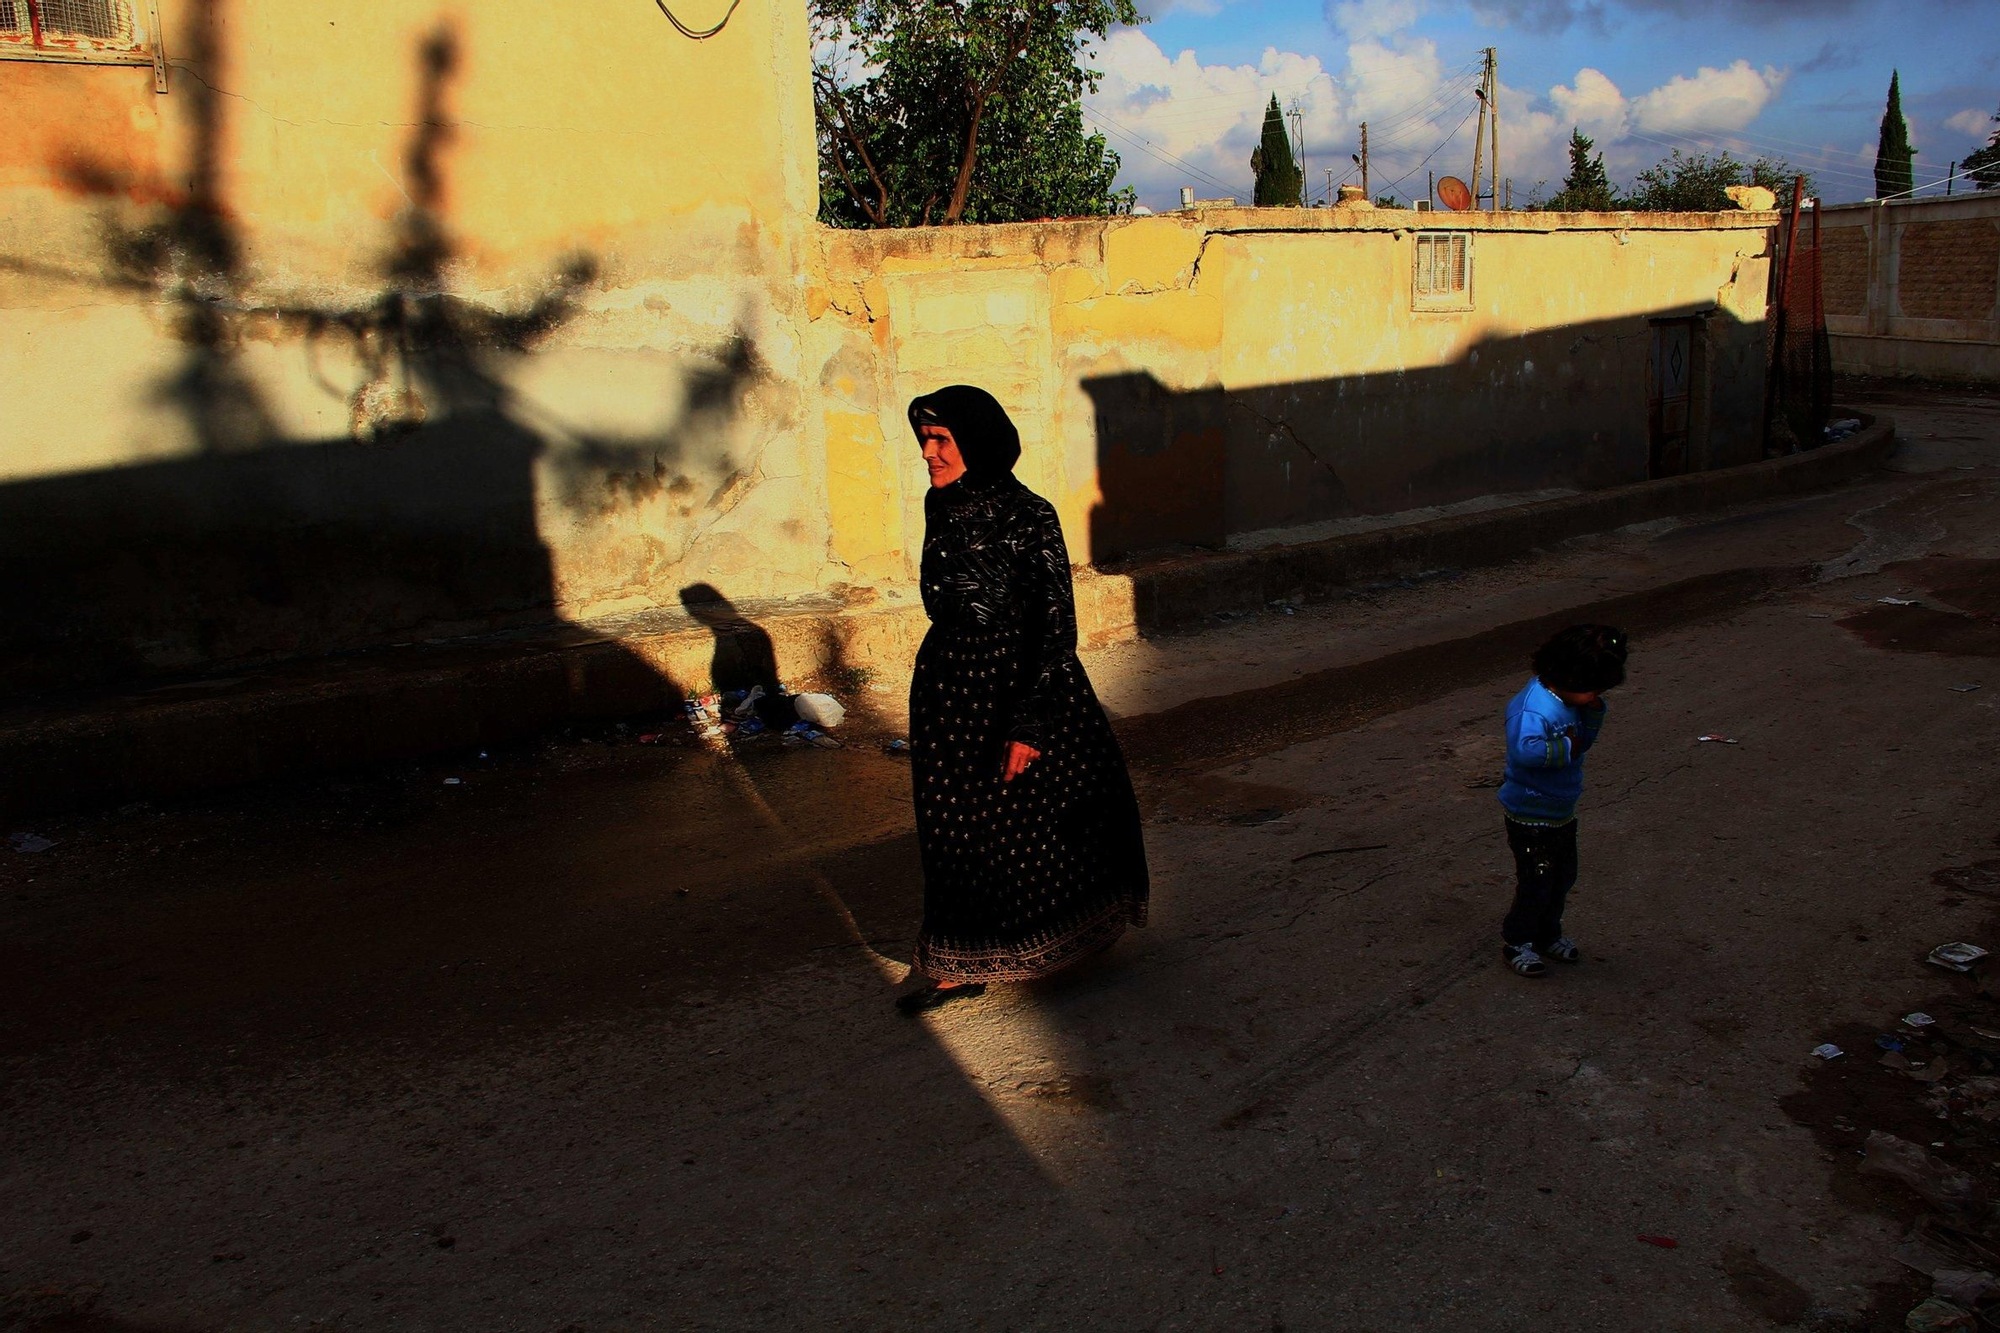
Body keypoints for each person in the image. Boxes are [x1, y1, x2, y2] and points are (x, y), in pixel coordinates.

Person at [895, 385, 1149, 1014]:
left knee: (1045, 823)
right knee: (952, 829)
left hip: (1017, 680)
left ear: (974, 443)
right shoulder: (941, 504)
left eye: (941, 440)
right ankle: (956, 961)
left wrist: (1031, 722)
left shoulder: (1028, 515)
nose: (928, 452)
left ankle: (1069, 936)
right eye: (924, 439)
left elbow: (1056, 623)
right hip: (949, 690)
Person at [1495, 624, 1628, 978]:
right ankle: (1518, 940)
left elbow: (1585, 739)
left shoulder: (1572, 702)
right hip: (1530, 814)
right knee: (1537, 880)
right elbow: (1527, 751)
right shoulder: (1534, 711)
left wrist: (1592, 716)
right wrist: (1568, 745)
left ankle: (1547, 932)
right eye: (1593, 689)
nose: (1595, 696)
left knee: (1563, 876)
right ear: (1568, 676)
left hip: (1560, 810)